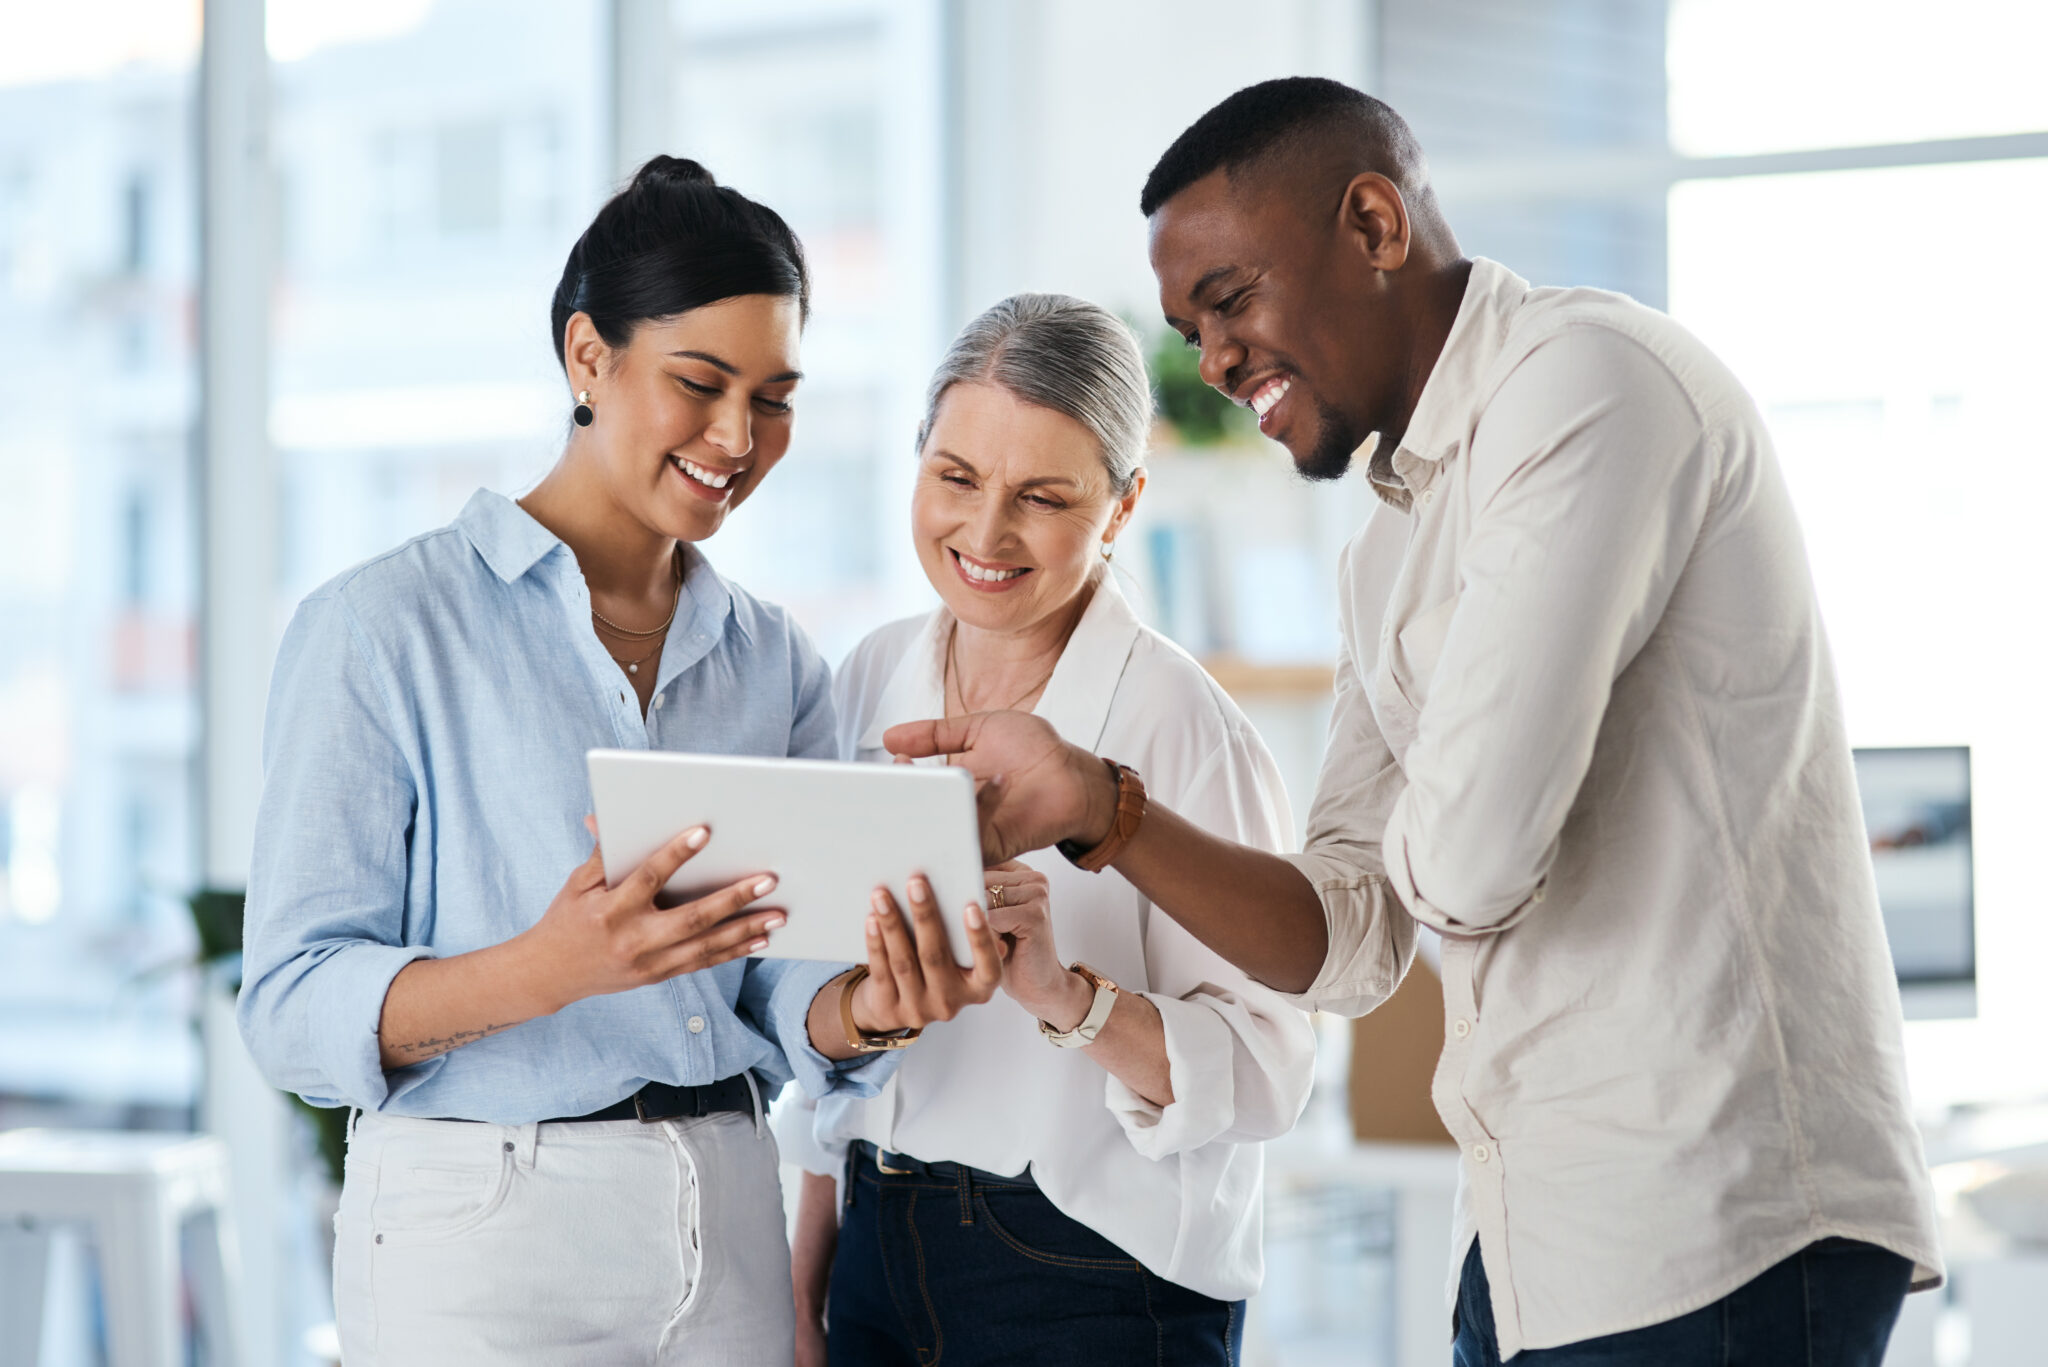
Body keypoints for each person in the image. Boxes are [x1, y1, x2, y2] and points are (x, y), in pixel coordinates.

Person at [885, 80, 1943, 1366]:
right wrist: (1105, 811)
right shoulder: (1390, 545)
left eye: (1230, 301)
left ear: (1374, 223)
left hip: (1718, 1218)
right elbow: (1350, 946)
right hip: (1529, 1234)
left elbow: (1469, 864)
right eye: (1188, 327)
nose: (1213, 362)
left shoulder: (1587, 386)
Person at [237, 156, 1003, 1367]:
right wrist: (547, 967)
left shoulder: (772, 658)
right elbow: (287, 1005)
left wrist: (867, 1005)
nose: (738, 438)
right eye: (698, 383)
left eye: (775, 396)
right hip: (483, 1225)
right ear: (587, 357)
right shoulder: (381, 627)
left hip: (728, 1211)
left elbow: (773, 985)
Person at [779, 294, 1317, 1367]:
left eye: (1041, 496)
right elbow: (818, 1033)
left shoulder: (1178, 721)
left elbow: (1267, 1070)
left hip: (1088, 1276)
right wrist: (805, 1291)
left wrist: (1064, 998)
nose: (983, 533)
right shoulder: (868, 677)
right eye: (955, 478)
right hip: (877, 1248)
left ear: (1121, 510)